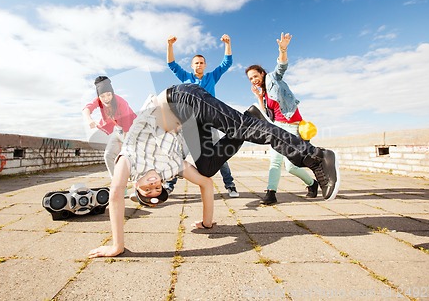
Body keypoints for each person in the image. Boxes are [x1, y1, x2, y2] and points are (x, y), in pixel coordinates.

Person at [88, 83, 340, 258]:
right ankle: (253, 117)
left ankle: (316, 157)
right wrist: (207, 222)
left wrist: (117, 245)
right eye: (158, 188)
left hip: (180, 98)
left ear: (136, 185)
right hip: (188, 122)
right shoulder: (171, 168)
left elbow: (115, 195)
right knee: (207, 168)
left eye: (147, 188)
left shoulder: (129, 162)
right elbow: (205, 184)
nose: (154, 184)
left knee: (241, 127)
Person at [245, 33, 319, 205]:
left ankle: (312, 183)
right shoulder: (263, 93)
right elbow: (267, 115)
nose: (254, 80)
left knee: (291, 166)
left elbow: (281, 66)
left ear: (262, 73)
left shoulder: (272, 78)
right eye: (250, 79)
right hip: (278, 126)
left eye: (255, 76)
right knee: (276, 161)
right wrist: (258, 97)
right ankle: (271, 193)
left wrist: (283, 49)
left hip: (292, 124)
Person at [164, 33, 239, 198]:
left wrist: (228, 43)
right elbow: (172, 64)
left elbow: (227, 63)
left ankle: (230, 185)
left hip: (209, 122)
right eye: (196, 63)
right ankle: (169, 185)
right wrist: (170, 46)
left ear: (205, 65)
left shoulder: (212, 77)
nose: (199, 65)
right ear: (192, 66)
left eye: (201, 63)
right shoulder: (187, 77)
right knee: (180, 155)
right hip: (189, 123)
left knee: (219, 154)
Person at [82, 76, 137, 197]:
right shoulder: (98, 100)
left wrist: (124, 149)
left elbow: (127, 129)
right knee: (108, 156)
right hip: (118, 130)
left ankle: (139, 187)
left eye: (108, 95)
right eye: (102, 96)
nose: (106, 99)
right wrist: (89, 119)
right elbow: (86, 109)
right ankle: (119, 186)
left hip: (132, 130)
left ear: (112, 93)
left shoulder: (121, 103)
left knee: (131, 157)